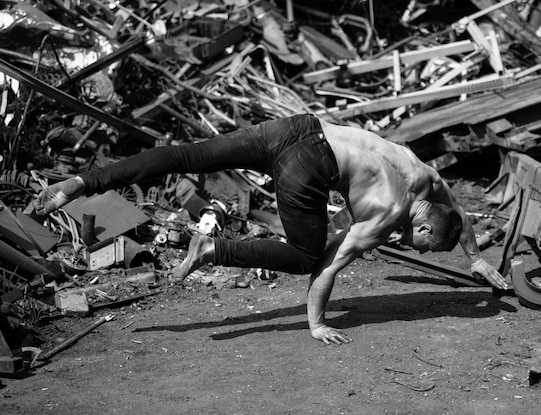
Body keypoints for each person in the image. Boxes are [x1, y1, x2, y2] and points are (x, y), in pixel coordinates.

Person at [35, 113, 509, 345]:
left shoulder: (420, 173)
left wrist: (474, 256)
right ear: (422, 228)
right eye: (422, 247)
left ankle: (83, 181)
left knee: (187, 155)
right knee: (307, 254)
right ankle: (210, 248)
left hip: (296, 127)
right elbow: (326, 271)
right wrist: (317, 324)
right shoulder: (387, 215)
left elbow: (456, 212)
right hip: (307, 163)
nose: (413, 248)